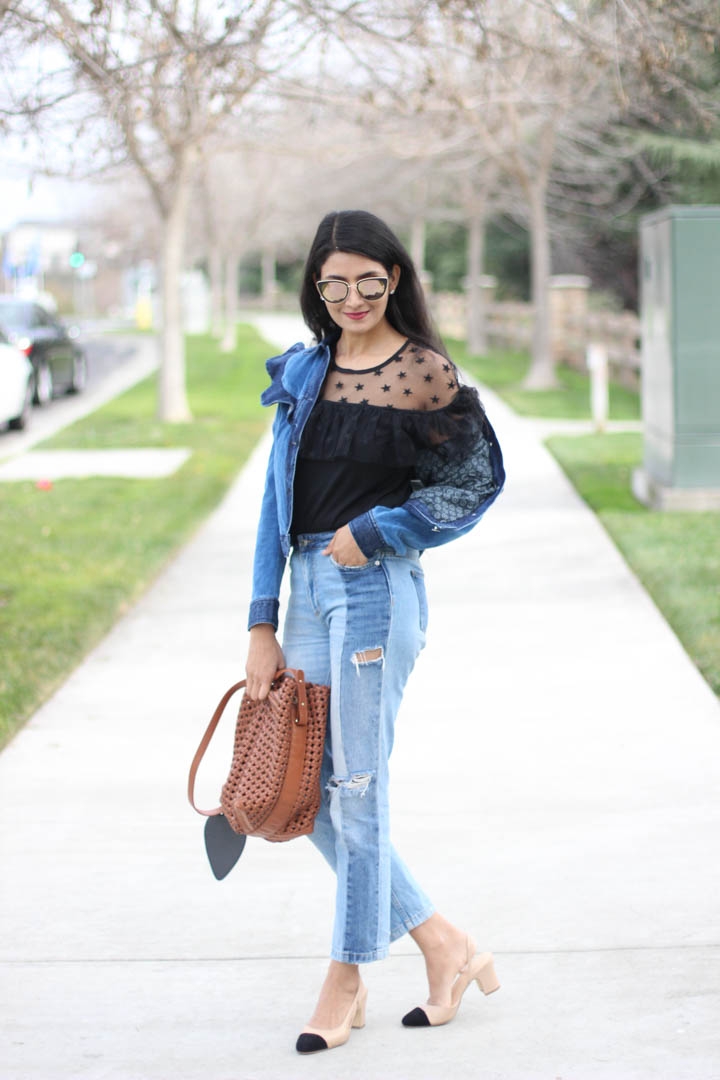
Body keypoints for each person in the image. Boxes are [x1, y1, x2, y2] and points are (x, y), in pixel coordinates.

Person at [245, 209, 505, 1054]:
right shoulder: (305, 371)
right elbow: (273, 505)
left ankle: (346, 975)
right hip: (306, 586)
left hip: (372, 592)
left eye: (367, 279)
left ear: (393, 277)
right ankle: (444, 944)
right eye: (334, 282)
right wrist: (260, 620)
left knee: (358, 790)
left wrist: (383, 529)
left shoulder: (426, 373)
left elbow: (474, 482)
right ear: (316, 288)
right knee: (308, 792)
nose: (352, 296)